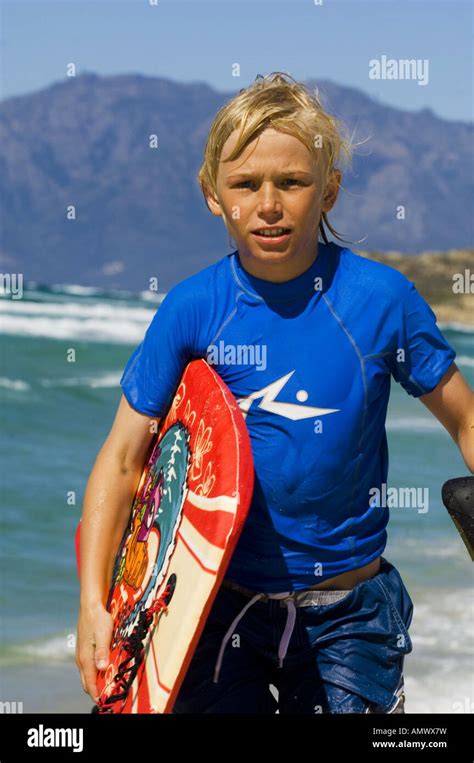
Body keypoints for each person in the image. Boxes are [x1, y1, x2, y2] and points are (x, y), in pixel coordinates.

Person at [75, 72, 474, 714]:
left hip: (350, 616)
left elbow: (465, 420)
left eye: (291, 183)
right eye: (245, 184)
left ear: (329, 192)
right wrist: (95, 604)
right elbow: (124, 460)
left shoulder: (380, 301)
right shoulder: (193, 310)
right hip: (215, 606)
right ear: (213, 195)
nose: (268, 204)